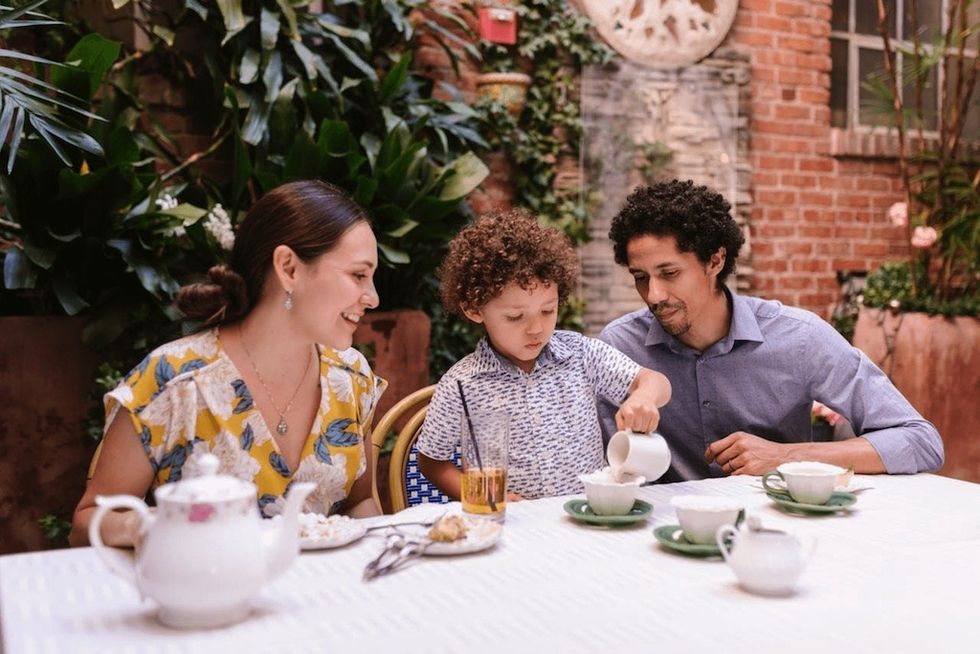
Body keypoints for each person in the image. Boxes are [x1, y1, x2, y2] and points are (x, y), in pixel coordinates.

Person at [70, 180, 387, 547]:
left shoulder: (351, 377)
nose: (373, 298)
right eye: (359, 275)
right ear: (289, 268)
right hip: (208, 594)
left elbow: (360, 502)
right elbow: (86, 523)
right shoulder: (173, 381)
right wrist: (150, 525)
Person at [597, 179, 944, 482]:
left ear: (715, 261)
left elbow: (919, 440)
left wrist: (785, 457)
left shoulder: (799, 338)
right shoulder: (620, 346)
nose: (653, 295)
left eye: (669, 273)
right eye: (640, 278)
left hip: (781, 532)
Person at [417, 209, 672, 500]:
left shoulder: (581, 355)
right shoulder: (461, 385)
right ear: (475, 309)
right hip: (514, 530)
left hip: (585, 518)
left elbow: (655, 381)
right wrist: (484, 495)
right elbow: (432, 461)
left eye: (548, 310)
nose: (536, 328)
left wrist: (643, 396)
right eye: (515, 317)